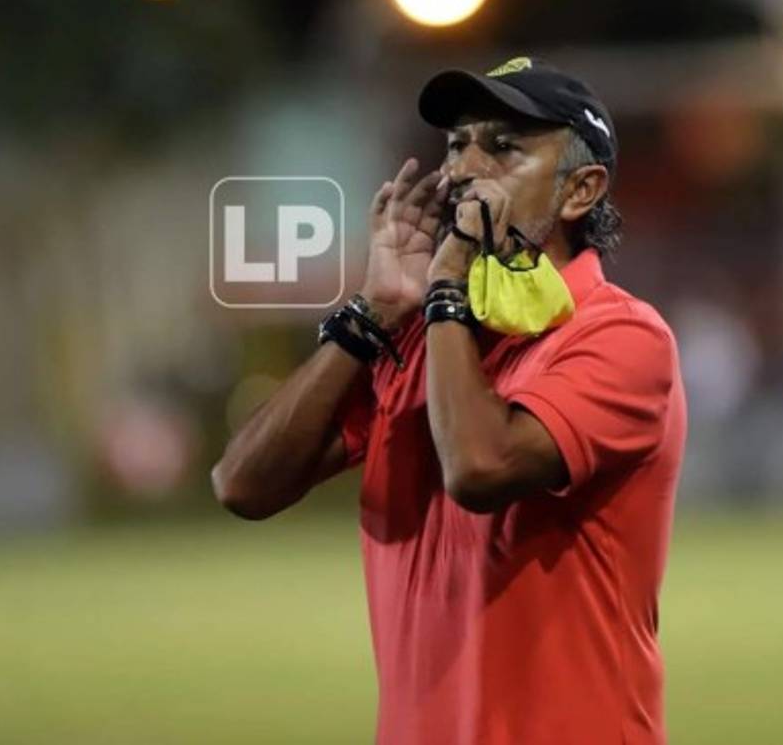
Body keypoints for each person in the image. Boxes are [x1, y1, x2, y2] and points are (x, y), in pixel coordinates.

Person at [212, 57, 687, 745]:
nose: (464, 168)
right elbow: (244, 485)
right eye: (457, 144)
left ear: (580, 190)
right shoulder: (423, 336)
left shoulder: (622, 336)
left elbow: (479, 467)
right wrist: (374, 310)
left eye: (503, 147)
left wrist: (444, 291)